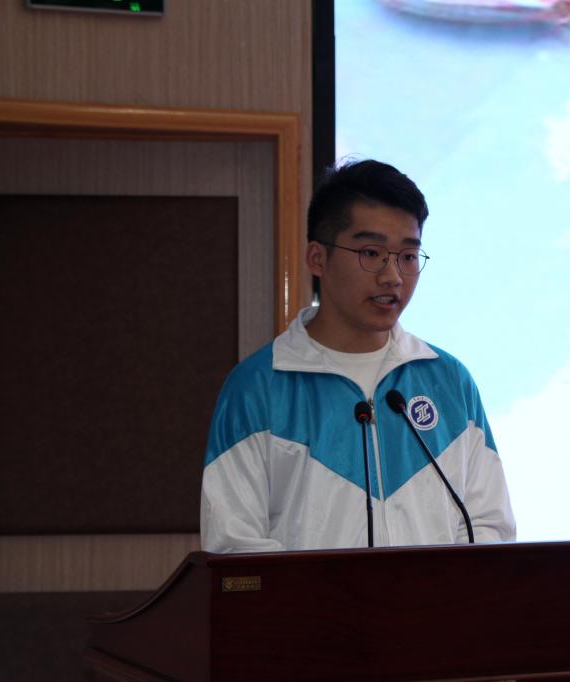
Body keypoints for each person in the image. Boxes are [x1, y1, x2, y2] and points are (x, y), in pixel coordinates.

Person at [200, 159, 516, 552]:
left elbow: (489, 527)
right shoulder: (258, 388)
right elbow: (234, 547)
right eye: (371, 252)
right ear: (317, 258)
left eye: (408, 256)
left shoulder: (449, 381)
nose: (392, 276)